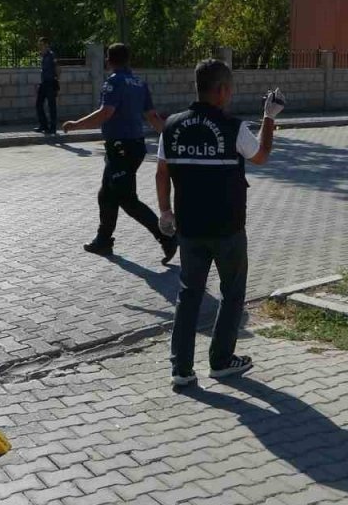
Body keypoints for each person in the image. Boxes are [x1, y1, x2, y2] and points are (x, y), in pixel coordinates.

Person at [155, 59, 284, 388]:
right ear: (222, 90)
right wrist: (269, 118)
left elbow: (162, 172)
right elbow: (262, 156)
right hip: (227, 229)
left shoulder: (171, 126)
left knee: (189, 296)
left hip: (189, 228)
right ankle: (222, 361)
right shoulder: (233, 127)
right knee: (232, 294)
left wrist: (165, 212)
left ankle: (181, 370)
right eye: (231, 88)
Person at [62, 43, 178, 263]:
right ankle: (103, 240)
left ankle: (168, 239)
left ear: (109, 60)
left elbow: (106, 112)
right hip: (133, 147)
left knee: (128, 200)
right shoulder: (139, 83)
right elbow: (152, 117)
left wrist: (76, 125)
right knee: (106, 194)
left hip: (121, 149)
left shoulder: (113, 82)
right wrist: (171, 136)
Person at [33, 37, 60, 135]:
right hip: (44, 83)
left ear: (46, 45)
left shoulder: (51, 55)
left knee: (51, 106)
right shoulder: (43, 56)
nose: (39, 47)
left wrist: (57, 81)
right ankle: (43, 125)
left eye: (41, 45)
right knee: (38, 103)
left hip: (51, 83)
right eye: (39, 45)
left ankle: (52, 128)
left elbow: (57, 68)